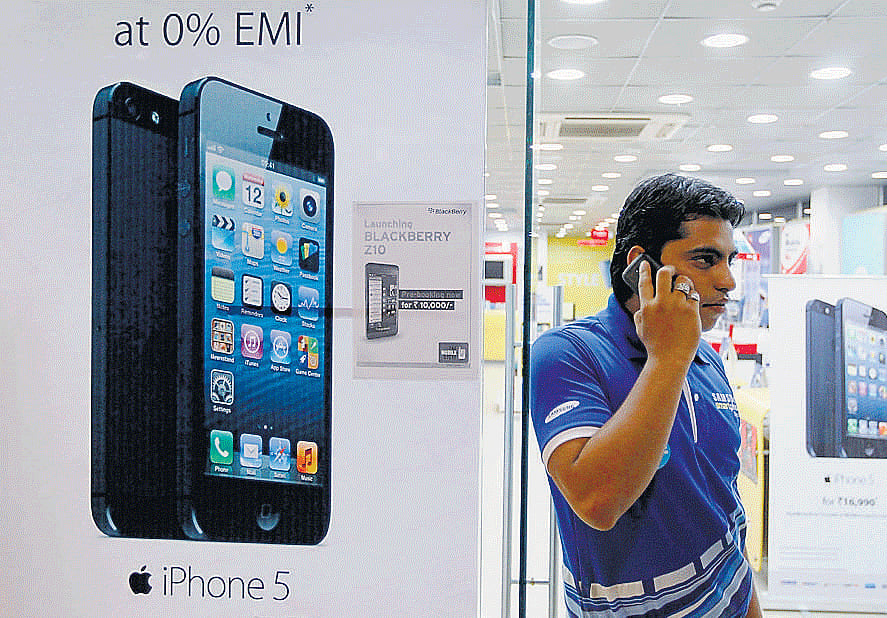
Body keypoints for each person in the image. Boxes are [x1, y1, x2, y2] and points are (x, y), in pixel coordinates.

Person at [530, 174, 762, 617]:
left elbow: (726, 509)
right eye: (706, 259)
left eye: (730, 259)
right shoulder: (569, 354)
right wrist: (667, 358)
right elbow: (598, 499)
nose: (728, 280)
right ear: (642, 267)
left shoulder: (705, 359)